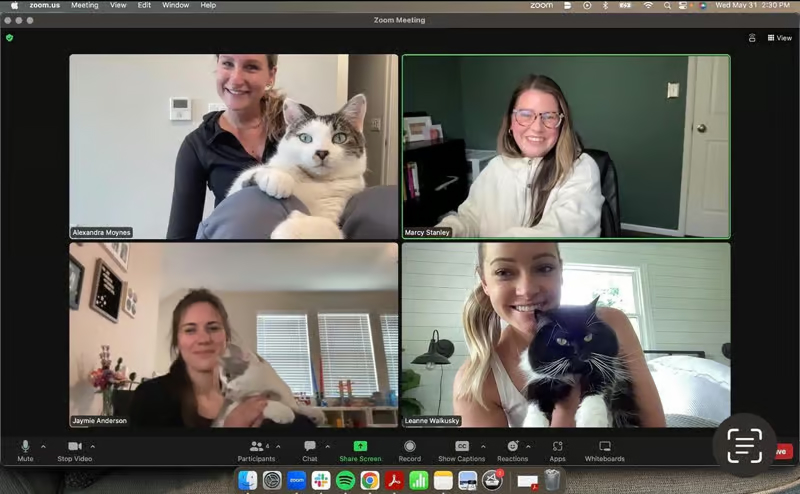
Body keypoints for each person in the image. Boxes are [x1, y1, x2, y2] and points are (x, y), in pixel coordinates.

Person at [167, 54, 399, 240]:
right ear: (217, 67)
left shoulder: (300, 123)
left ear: (271, 75)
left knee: (386, 202)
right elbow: (181, 235)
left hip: (306, 241)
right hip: (240, 237)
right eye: (227, 63)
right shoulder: (197, 144)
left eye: (251, 67)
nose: (236, 79)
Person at [452, 242, 666, 428]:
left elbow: (655, 433)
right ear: (484, 282)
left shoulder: (610, 323)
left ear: (560, 272)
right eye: (504, 272)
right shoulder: (476, 380)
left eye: (544, 268)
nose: (527, 290)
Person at [437, 75, 604, 238]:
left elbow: (563, 232)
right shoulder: (496, 167)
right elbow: (469, 220)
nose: (537, 128)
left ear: (562, 125)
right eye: (525, 114)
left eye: (549, 116)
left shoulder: (581, 169)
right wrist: (441, 233)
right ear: (511, 121)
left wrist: (491, 248)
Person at [129, 288, 315, 429]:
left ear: (226, 337)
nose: (203, 339)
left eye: (213, 328)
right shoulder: (150, 396)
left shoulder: (244, 391)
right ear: (177, 341)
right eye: (190, 330)